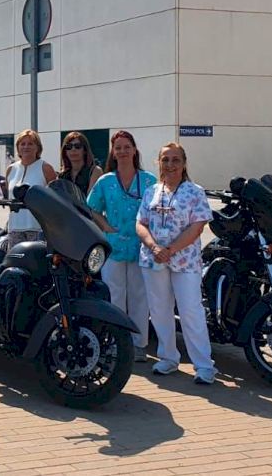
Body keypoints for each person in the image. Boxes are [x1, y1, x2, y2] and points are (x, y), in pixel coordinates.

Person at [135, 142, 216, 384]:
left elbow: (197, 226)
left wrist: (170, 250)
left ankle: (204, 366)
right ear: (158, 163)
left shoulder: (195, 191)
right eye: (165, 160)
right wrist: (154, 247)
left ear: (184, 163)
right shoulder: (151, 191)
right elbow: (141, 223)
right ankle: (168, 358)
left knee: (191, 310)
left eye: (175, 160)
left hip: (185, 261)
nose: (170, 165)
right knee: (159, 310)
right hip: (153, 259)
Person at [87, 130, 158, 360]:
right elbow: (92, 208)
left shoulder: (148, 181)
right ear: (113, 152)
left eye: (127, 147)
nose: (123, 151)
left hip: (141, 247)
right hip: (114, 247)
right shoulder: (106, 181)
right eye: (118, 147)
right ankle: (115, 343)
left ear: (134, 150)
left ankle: (139, 344)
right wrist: (105, 227)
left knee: (139, 296)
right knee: (114, 296)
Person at [4, 130, 57, 248]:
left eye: (30, 143)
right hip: (15, 228)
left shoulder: (45, 168)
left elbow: (54, 198)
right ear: (18, 147)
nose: (26, 147)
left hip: (38, 228)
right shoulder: (11, 169)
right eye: (22, 144)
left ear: (38, 147)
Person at [59, 131, 104, 198]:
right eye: (69, 147)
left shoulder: (95, 171)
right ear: (65, 151)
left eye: (77, 146)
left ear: (85, 150)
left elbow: (90, 199)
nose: (73, 149)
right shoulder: (62, 176)